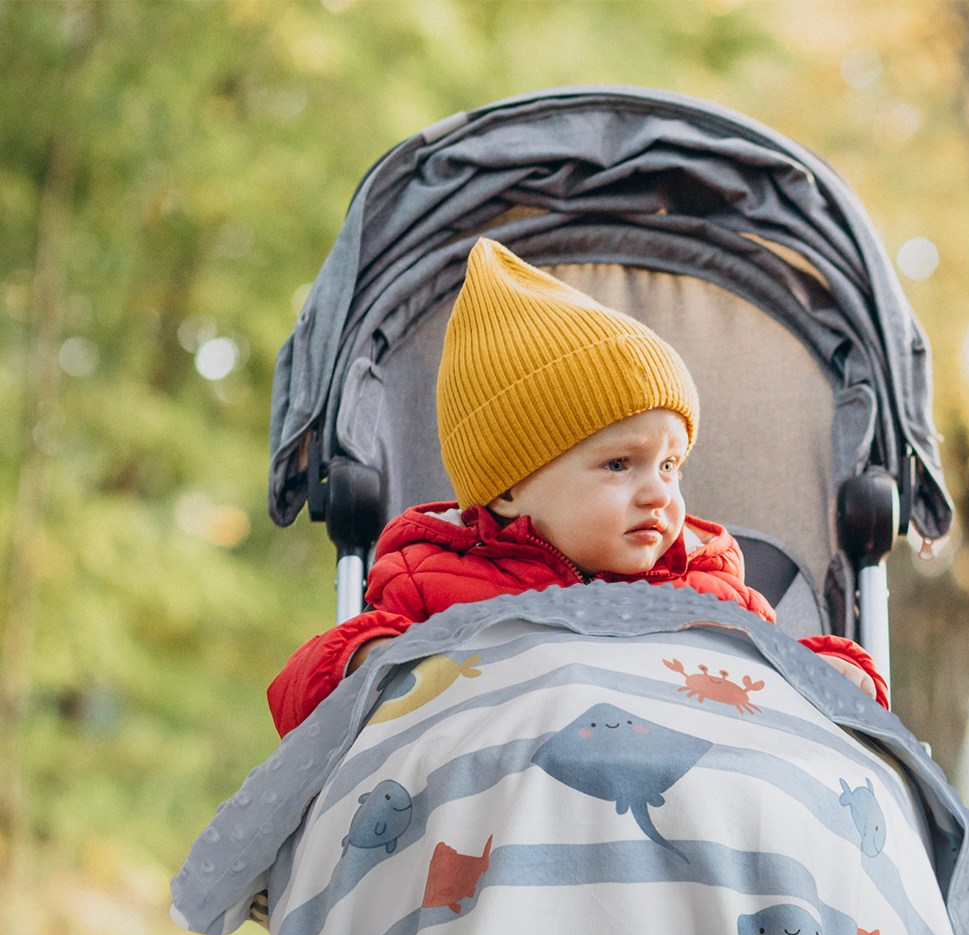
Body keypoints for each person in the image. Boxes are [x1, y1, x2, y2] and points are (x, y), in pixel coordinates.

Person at [268, 237, 883, 736]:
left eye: (670, 466)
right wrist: (363, 660)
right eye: (619, 465)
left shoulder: (709, 591)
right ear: (508, 488)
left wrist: (832, 669)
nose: (658, 493)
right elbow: (299, 699)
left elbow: (775, 670)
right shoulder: (433, 584)